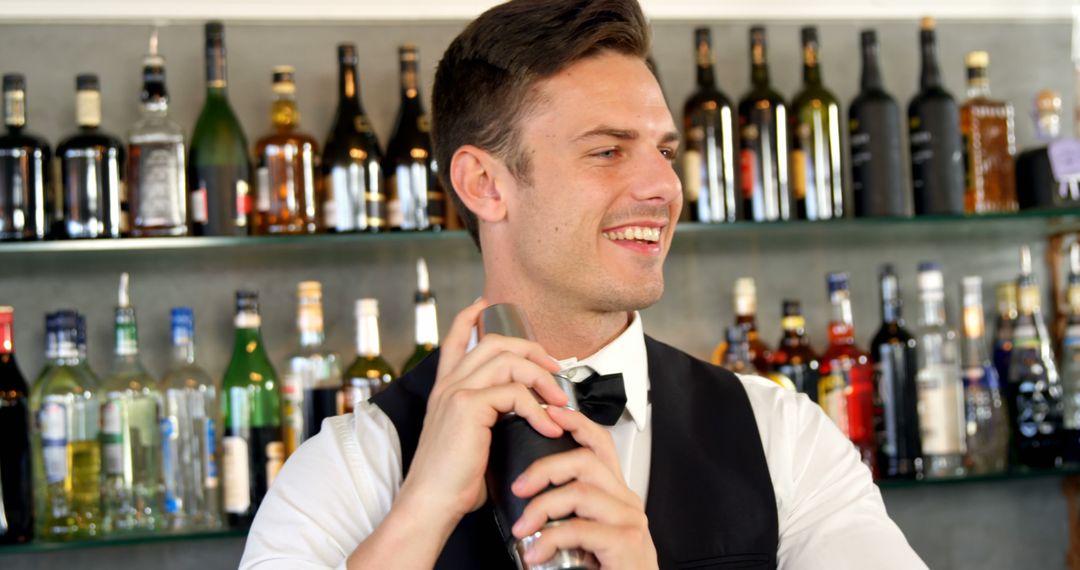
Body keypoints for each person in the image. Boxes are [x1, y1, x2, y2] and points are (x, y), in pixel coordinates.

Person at [240, 1, 927, 568]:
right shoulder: (350, 468)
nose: (663, 187)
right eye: (607, 151)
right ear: (485, 184)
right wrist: (420, 513)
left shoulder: (785, 436)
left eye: (663, 151)